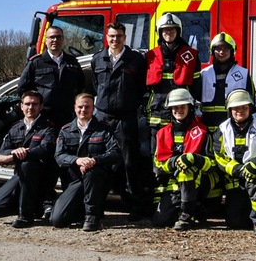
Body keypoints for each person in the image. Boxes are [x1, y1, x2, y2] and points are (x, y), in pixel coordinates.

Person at [91, 22, 150, 220]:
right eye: (111, 36)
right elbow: (95, 86)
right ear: (106, 38)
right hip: (102, 117)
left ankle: (136, 207)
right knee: (100, 160)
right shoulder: (98, 58)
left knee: (129, 162)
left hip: (126, 118)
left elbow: (142, 87)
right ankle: (96, 205)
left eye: (118, 36)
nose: (115, 40)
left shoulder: (136, 59)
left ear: (125, 38)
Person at [50, 93, 121, 232]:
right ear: (74, 108)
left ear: (93, 108)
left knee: (92, 171)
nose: (83, 110)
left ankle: (92, 216)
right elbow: (59, 156)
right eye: (80, 107)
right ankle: (82, 211)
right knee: (57, 220)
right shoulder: (65, 131)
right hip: (74, 181)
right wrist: (77, 160)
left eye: (87, 107)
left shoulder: (104, 129)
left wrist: (94, 160)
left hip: (97, 179)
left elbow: (115, 153)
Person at [213, 89, 256, 235]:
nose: (240, 111)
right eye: (236, 108)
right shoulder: (222, 129)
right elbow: (219, 156)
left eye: (244, 107)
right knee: (236, 223)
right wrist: (237, 169)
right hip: (235, 179)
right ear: (230, 109)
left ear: (250, 108)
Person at [0, 91, 59, 228]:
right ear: (21, 106)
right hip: (21, 176)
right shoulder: (15, 128)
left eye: (34, 104)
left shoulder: (49, 127)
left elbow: (45, 150)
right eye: (27, 104)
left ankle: (25, 216)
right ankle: (34, 208)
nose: (30, 107)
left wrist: (22, 153)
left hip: (42, 177)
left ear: (41, 106)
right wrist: (13, 153)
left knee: (28, 164)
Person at [152, 88, 219, 230]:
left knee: (186, 171)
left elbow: (213, 164)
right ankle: (194, 207)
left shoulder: (202, 131)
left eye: (183, 106)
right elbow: (157, 165)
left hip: (199, 182)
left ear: (190, 107)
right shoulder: (162, 133)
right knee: (160, 221)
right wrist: (174, 163)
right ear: (170, 109)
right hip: (174, 183)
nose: (179, 110)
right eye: (175, 107)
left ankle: (186, 216)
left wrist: (194, 159)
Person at [146, 12, 202, 136]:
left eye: (172, 29)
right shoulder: (150, 56)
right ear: (160, 33)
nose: (168, 33)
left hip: (182, 112)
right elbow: (144, 88)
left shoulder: (191, 56)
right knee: (156, 152)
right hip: (157, 114)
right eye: (165, 30)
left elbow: (197, 86)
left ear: (178, 31)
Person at [17, 26, 85, 128]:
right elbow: (23, 89)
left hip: (68, 117)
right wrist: (34, 108)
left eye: (58, 37)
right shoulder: (36, 63)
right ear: (46, 40)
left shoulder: (73, 62)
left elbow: (81, 86)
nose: (55, 40)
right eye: (51, 37)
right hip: (43, 118)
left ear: (63, 39)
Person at [200, 32, 253, 133]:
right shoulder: (204, 74)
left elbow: (252, 103)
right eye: (218, 49)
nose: (221, 52)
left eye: (225, 49)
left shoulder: (243, 74)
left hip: (233, 130)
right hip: (207, 129)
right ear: (212, 51)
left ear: (232, 50)